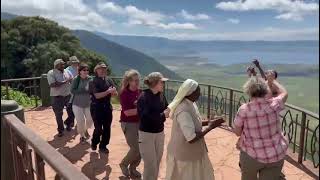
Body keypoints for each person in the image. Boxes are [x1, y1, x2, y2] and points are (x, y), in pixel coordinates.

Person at [233, 71, 289, 180]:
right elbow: (284, 93)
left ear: (249, 92)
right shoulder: (274, 104)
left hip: (251, 155)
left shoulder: (244, 109)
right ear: (265, 90)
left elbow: (237, 132)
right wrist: (272, 80)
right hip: (275, 155)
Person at [166, 79, 224, 180]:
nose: (200, 93)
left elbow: (194, 123)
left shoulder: (191, 103)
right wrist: (211, 127)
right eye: (198, 91)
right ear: (191, 93)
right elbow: (191, 138)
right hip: (185, 156)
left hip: (195, 152)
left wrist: (210, 121)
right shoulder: (183, 110)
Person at [137, 72, 170, 180]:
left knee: (156, 162)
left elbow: (167, 108)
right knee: (150, 164)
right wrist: (163, 115)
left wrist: (167, 111)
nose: (163, 84)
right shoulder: (143, 97)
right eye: (162, 82)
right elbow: (146, 117)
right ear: (155, 83)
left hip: (159, 133)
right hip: (146, 135)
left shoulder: (161, 95)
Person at [89, 62, 118, 153]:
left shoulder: (109, 80)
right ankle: (94, 142)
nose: (103, 70)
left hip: (107, 108)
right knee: (98, 128)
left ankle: (103, 146)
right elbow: (97, 95)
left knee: (107, 128)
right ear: (96, 70)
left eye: (104, 68)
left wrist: (113, 92)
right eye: (100, 69)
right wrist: (108, 91)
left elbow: (115, 94)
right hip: (96, 108)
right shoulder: (92, 81)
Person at [119, 69, 142, 178]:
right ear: (128, 81)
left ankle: (133, 168)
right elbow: (127, 112)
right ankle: (123, 164)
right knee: (135, 148)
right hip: (128, 123)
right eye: (134, 80)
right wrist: (143, 109)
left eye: (138, 80)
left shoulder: (140, 92)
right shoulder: (124, 93)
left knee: (142, 147)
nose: (137, 82)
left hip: (140, 123)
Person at [47, 59, 75, 137]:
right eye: (61, 64)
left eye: (63, 64)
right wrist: (66, 81)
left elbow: (72, 80)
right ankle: (61, 130)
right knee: (58, 115)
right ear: (56, 65)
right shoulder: (51, 73)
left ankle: (68, 123)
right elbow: (53, 84)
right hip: (57, 97)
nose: (63, 65)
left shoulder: (67, 71)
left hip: (68, 95)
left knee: (72, 112)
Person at [71, 63, 93, 144]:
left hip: (88, 104)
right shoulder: (76, 79)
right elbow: (72, 90)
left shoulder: (90, 79)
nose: (86, 71)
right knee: (80, 121)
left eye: (87, 70)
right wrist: (83, 90)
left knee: (90, 120)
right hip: (77, 104)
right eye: (84, 70)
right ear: (80, 71)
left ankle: (85, 129)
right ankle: (82, 136)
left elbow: (93, 89)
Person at [65, 56, 80, 128]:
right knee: (70, 107)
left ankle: (70, 121)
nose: (75, 64)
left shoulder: (79, 69)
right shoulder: (67, 70)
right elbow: (69, 80)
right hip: (70, 91)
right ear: (71, 63)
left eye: (76, 62)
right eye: (74, 62)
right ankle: (70, 121)